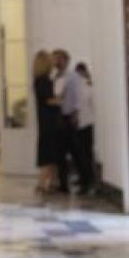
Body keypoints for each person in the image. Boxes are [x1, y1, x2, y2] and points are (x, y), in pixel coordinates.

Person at [52, 49, 92, 195]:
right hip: (58, 117)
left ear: (65, 60)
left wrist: (75, 113)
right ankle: (63, 184)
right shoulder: (55, 77)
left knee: (76, 152)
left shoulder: (72, 77)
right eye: (54, 58)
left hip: (69, 117)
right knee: (60, 152)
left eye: (57, 58)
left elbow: (77, 96)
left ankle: (86, 182)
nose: (55, 61)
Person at [31, 50, 59, 196]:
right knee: (48, 154)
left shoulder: (40, 80)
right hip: (49, 122)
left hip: (46, 121)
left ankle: (51, 182)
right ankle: (42, 184)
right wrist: (62, 100)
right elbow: (49, 100)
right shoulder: (43, 81)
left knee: (51, 153)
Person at [75, 62, 96, 195]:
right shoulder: (85, 86)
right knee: (84, 154)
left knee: (84, 155)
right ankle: (86, 180)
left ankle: (87, 181)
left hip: (84, 124)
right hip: (84, 124)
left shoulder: (86, 87)